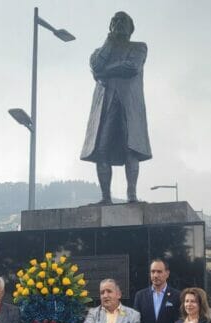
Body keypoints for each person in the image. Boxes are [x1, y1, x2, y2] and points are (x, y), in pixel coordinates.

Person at [81, 11, 152, 203]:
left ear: (131, 29)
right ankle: (106, 198)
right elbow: (96, 66)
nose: (120, 24)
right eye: (116, 21)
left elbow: (131, 67)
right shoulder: (100, 52)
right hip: (105, 106)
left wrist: (106, 71)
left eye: (124, 22)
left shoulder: (139, 47)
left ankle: (132, 196)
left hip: (128, 105)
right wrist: (109, 42)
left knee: (131, 148)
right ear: (111, 26)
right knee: (101, 149)